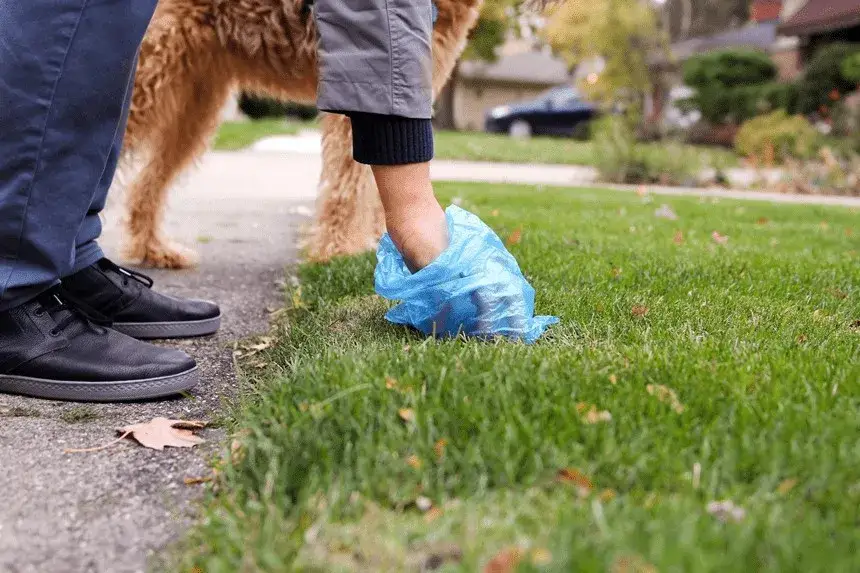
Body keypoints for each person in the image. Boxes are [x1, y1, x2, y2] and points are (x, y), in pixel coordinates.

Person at [0, 0, 451, 402]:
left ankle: (69, 255)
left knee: (108, 48)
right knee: (80, 36)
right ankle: (13, 278)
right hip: (206, 12)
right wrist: (410, 207)